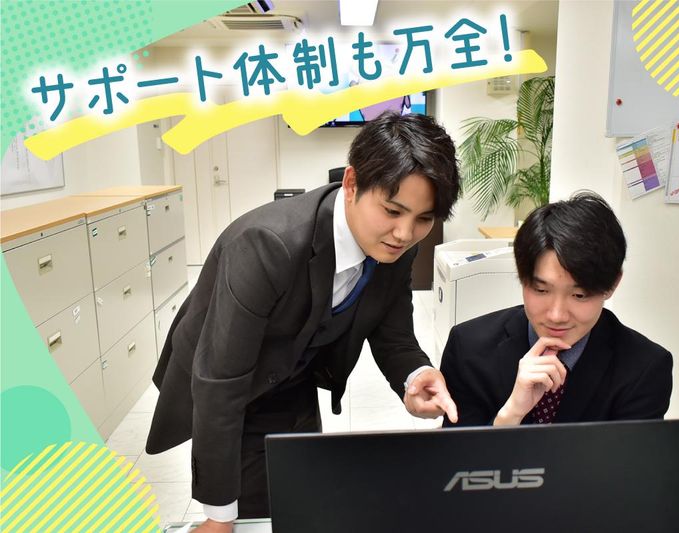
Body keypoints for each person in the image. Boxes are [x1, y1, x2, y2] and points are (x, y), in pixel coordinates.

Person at [146, 112, 461, 532]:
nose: (404, 234)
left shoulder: (394, 248)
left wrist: (415, 374)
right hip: (232, 380)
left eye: (423, 219)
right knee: (249, 509)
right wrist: (218, 517)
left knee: (296, 493)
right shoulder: (266, 245)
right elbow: (220, 380)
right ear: (352, 183)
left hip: (293, 377)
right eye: (392, 210)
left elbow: (394, 335)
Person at [440, 192, 672, 428]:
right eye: (541, 290)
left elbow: (631, 453)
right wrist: (511, 414)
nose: (557, 315)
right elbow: (456, 451)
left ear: (612, 284)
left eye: (579, 295)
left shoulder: (645, 368)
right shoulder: (468, 348)